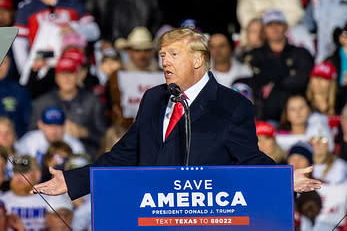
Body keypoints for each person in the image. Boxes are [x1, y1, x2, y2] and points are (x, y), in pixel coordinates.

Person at [33, 28, 322, 200]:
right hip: (149, 218)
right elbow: (124, 154)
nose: (164, 62)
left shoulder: (232, 105)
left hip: (204, 222)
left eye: (173, 54)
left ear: (198, 60)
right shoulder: (153, 98)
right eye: (162, 56)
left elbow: (249, 159)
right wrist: (73, 181)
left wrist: (281, 178)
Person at [28, 56, 106, 158]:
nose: (67, 78)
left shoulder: (93, 101)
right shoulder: (42, 102)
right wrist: (52, 131)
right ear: (56, 77)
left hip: (86, 157)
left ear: (78, 76)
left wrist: (85, 133)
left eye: (71, 73)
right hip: (48, 158)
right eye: (63, 74)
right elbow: (31, 134)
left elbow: (104, 137)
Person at [245, 9, 314, 122]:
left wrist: (271, 78)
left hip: (296, 118)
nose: (274, 28)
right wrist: (287, 72)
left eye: (278, 23)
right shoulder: (254, 55)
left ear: (286, 26)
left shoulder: (301, 53)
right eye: (270, 24)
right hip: (264, 118)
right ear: (264, 30)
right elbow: (253, 84)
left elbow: (301, 82)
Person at [15, 106, 84, 166]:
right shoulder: (29, 141)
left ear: (65, 125)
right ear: (40, 125)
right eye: (49, 125)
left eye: (57, 125)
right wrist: (30, 164)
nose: (53, 130)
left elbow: (79, 170)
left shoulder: (75, 145)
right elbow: (16, 164)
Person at [0, 55, 31, 138]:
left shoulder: (20, 91)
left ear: (10, 64)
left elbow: (27, 123)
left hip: (13, 144)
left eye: (4, 62)